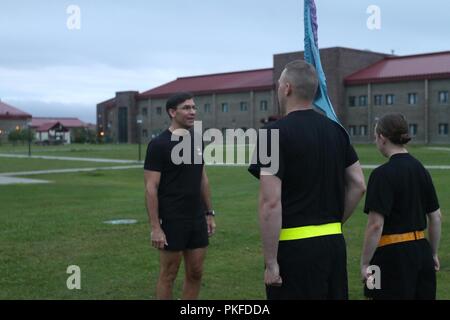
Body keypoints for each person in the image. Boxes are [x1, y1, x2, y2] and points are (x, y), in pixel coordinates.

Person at [248, 60, 366, 299]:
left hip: (294, 250)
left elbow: (270, 203)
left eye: (279, 84)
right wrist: (333, 221)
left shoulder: (272, 134)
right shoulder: (337, 131)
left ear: (287, 88)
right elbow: (358, 184)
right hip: (333, 245)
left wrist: (271, 263)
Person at [361, 113, 442, 300]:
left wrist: (366, 264)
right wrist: (433, 253)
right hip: (422, 253)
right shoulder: (421, 169)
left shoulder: (381, 175)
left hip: (388, 256)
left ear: (382, 138)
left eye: (375, 137)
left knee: (378, 295)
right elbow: (436, 217)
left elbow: (375, 225)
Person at [144, 92, 216, 300]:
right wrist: (155, 227)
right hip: (171, 219)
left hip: (196, 218)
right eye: (186, 108)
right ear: (172, 112)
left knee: (196, 273)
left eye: (194, 107)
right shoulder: (159, 145)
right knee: (169, 275)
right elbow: (150, 187)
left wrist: (209, 213)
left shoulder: (197, 140)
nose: (192, 112)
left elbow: (202, 178)